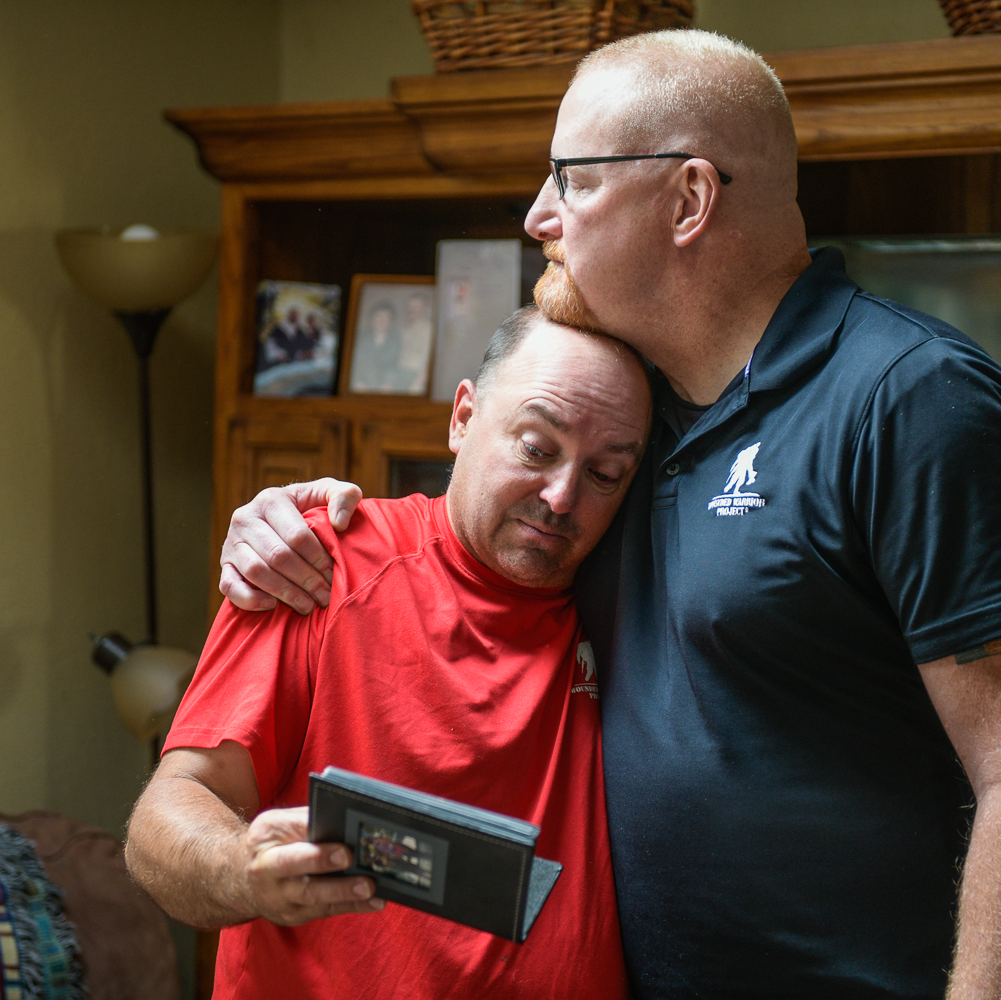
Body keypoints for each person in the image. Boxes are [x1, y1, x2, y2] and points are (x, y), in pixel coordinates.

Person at [215, 30, 1001, 1000]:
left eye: (572, 179)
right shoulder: (632, 428)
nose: (537, 214)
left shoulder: (914, 402)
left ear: (688, 200)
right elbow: (475, 525)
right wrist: (296, 517)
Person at [125, 308, 652, 1000]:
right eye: (535, 446)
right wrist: (240, 868)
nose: (562, 497)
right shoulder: (319, 563)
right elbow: (166, 819)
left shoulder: (634, 593)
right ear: (462, 418)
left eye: (605, 474)